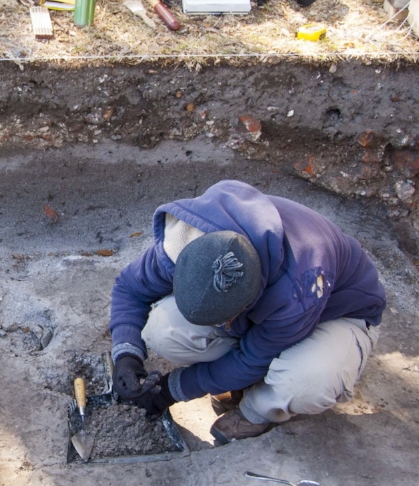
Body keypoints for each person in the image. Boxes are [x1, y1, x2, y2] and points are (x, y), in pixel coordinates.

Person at [109, 180, 386, 444]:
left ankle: (258, 408)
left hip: (337, 314)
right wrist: (127, 354)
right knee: (163, 330)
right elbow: (129, 289)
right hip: (271, 312)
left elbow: (253, 358)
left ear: (248, 302)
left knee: (307, 381)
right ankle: (234, 382)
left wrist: (171, 390)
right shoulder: (183, 241)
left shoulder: (299, 286)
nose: (221, 326)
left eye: (226, 320)